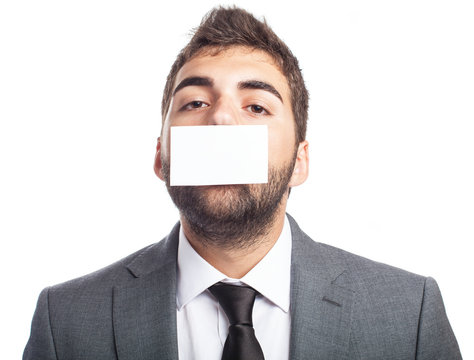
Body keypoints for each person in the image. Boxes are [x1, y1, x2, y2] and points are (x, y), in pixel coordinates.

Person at [23, 6, 462, 360]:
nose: (221, 119)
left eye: (256, 107)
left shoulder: (410, 316)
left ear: (299, 162)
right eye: (195, 102)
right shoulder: (65, 321)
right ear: (161, 156)